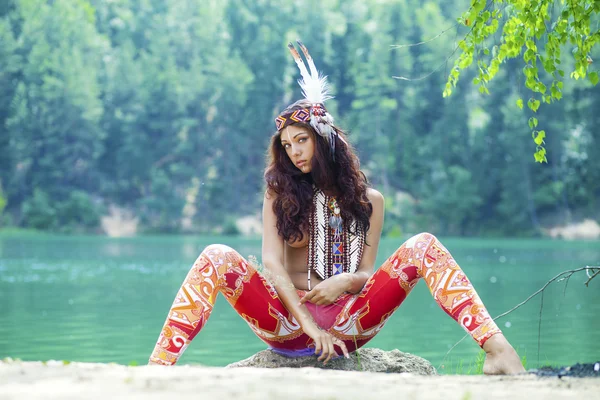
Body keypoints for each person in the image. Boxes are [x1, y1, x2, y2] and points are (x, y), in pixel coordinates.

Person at [148, 41, 525, 374]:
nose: (294, 152)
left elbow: (364, 273)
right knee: (216, 255)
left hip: (348, 327)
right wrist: (309, 327)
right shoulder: (279, 193)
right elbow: (273, 264)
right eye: (287, 145)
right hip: (286, 327)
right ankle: (158, 368)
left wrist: (345, 281)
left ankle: (498, 351)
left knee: (424, 244)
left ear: (325, 141)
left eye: (302, 140)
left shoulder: (369, 202)